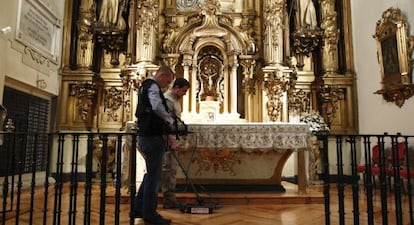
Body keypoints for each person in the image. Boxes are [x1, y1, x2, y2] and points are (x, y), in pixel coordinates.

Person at [133, 66, 179, 225]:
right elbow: (156, 107)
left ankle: (139, 208)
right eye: (167, 82)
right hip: (152, 137)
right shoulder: (152, 86)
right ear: (162, 75)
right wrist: (169, 119)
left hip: (147, 136)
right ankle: (150, 214)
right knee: (154, 177)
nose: (166, 86)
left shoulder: (145, 86)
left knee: (150, 174)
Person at [161, 78, 190, 209]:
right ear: (177, 87)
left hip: (172, 136)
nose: (185, 94)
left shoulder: (175, 99)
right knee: (168, 169)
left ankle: (170, 199)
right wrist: (171, 140)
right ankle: (168, 199)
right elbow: (165, 123)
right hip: (168, 139)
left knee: (171, 169)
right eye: (184, 91)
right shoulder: (168, 99)